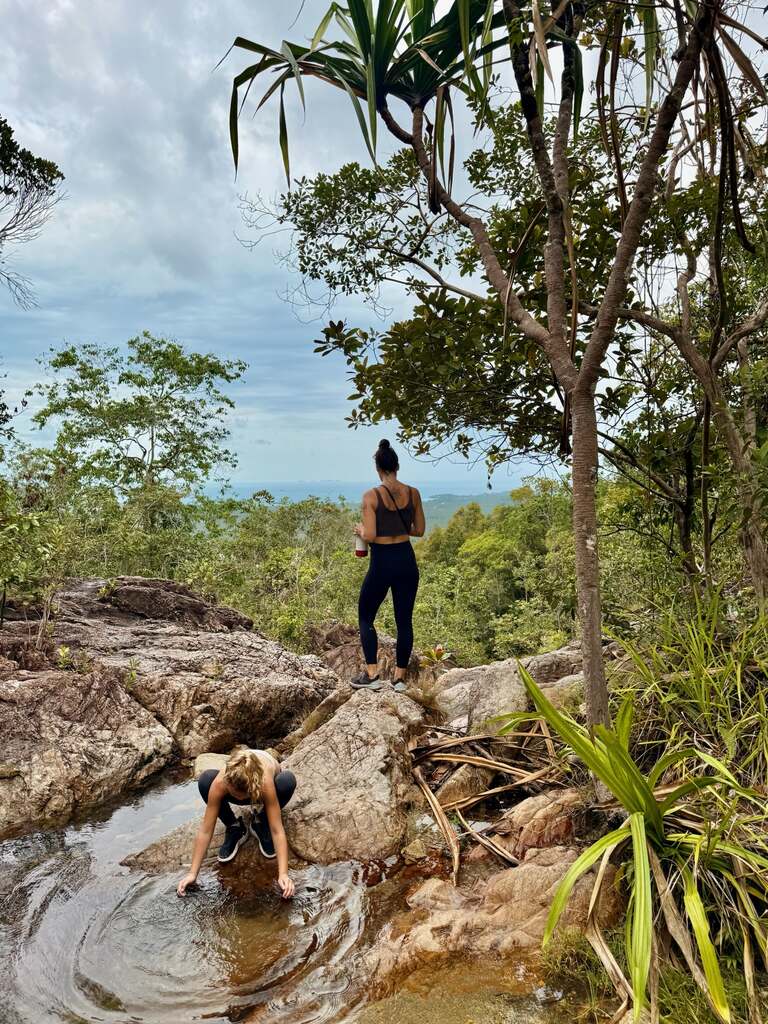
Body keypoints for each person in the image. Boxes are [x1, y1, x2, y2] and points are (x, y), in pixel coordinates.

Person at [352, 439, 425, 692]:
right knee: (404, 621)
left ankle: (372, 675)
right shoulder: (413, 493)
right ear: (397, 466)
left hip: (382, 561)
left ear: (378, 469)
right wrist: (399, 527)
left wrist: (361, 530)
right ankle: (399, 679)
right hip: (406, 559)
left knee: (365, 616)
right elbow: (420, 530)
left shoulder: (371, 496)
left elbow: (369, 535)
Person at [177, 748, 296, 899]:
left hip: (260, 789)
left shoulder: (264, 782)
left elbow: (277, 830)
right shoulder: (222, 781)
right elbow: (206, 830)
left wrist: (284, 874)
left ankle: (261, 822)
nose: (239, 801)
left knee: (287, 781)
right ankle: (234, 827)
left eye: (241, 797)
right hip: (243, 786)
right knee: (206, 780)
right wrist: (192, 874)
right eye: (235, 795)